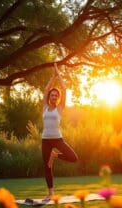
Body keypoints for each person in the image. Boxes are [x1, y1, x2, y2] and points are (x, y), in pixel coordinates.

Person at [41, 63, 78, 200]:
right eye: (52, 95)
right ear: (49, 97)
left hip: (57, 139)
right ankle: (50, 193)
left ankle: (55, 155)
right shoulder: (44, 107)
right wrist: (53, 77)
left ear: (58, 97)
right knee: (47, 167)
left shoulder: (60, 108)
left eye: (56, 95)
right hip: (45, 140)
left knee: (73, 157)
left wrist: (58, 73)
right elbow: (46, 89)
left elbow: (64, 88)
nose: (54, 96)